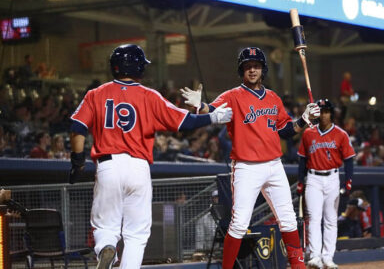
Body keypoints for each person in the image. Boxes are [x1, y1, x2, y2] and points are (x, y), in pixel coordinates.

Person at [68, 44, 232, 269]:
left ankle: (107, 247)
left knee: (105, 226)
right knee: (136, 234)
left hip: (108, 165)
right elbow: (185, 121)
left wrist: (77, 161)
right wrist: (213, 116)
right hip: (138, 167)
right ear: (137, 68)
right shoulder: (149, 95)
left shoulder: (96, 94)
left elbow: (77, 127)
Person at [180, 47, 320, 269]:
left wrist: (303, 119)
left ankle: (298, 267)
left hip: (274, 165)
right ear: (241, 70)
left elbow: (284, 130)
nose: (252, 70)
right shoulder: (233, 95)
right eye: (247, 66)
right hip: (246, 168)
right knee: (238, 225)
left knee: (288, 220)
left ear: (263, 69)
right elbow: (212, 109)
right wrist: (199, 106)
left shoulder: (273, 97)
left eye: (255, 66)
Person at [297, 99, 355, 269]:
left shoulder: (341, 134)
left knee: (330, 220)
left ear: (332, 113)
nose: (323, 115)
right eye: (321, 111)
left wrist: (348, 182)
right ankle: (315, 257)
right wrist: (301, 181)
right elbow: (302, 160)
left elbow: (349, 160)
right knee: (314, 219)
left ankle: (328, 258)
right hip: (313, 177)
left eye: (326, 111)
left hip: (332, 178)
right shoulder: (308, 133)